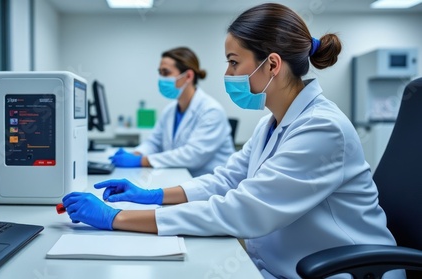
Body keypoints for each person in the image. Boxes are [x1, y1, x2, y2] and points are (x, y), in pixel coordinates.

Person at [62, 3, 402, 279]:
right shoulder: (273, 122)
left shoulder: (322, 129)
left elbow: (243, 210)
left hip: (342, 272)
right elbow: (225, 180)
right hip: (281, 265)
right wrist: (152, 195)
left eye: (234, 63)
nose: (227, 75)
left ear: (272, 65)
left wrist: (116, 217)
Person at [109, 47, 235, 177]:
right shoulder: (170, 110)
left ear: (188, 76)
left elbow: (193, 155)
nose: (161, 78)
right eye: (160, 72)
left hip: (211, 186)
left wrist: (143, 161)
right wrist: (136, 154)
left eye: (166, 72)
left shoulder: (211, 111)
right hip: (181, 178)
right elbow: (154, 142)